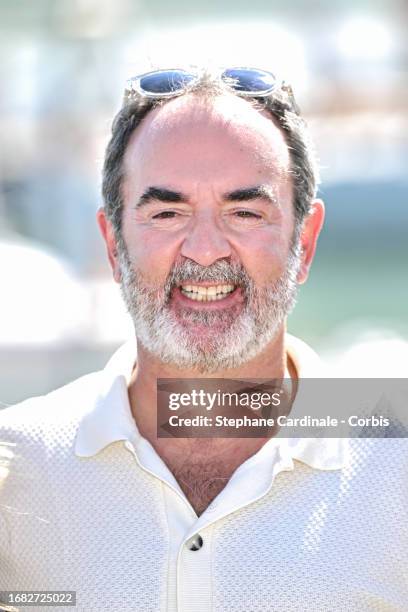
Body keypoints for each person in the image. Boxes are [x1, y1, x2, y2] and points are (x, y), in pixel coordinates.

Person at [0, 67, 406, 612]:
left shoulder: (395, 460)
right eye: (167, 213)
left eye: (245, 212)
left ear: (304, 244)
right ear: (114, 246)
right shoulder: (19, 465)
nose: (207, 249)